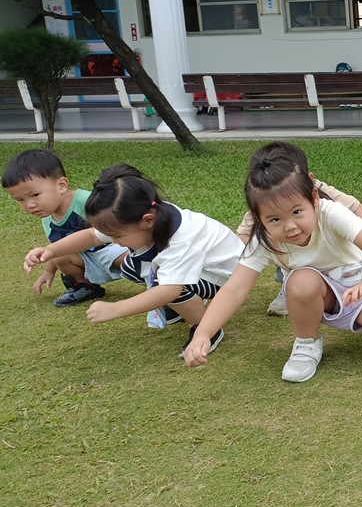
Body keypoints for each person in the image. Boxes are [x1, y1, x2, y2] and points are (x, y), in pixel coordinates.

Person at [183, 148, 362, 383]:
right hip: (312, 294)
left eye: (297, 212)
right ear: (258, 218)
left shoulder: (330, 213)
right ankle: (307, 342)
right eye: (275, 219)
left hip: (355, 282)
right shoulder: (264, 240)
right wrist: (203, 333)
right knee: (302, 280)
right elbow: (234, 288)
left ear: (314, 197)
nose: (290, 226)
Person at [23, 165, 242, 356]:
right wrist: (50, 250)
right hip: (203, 269)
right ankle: (181, 308)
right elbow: (91, 236)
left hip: (229, 279)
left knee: (170, 287)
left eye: (117, 236)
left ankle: (205, 328)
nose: (114, 241)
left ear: (148, 220)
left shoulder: (182, 239)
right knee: (132, 267)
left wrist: (116, 309)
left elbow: (169, 290)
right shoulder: (140, 215)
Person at [235, 141, 362, 317]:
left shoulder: (324, 198)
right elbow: (243, 235)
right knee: (295, 270)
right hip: (295, 262)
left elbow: (357, 209)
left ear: (309, 180)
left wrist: (359, 243)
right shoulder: (266, 200)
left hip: (331, 253)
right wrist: (260, 252)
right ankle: (289, 289)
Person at [4, 149, 128, 307]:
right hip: (89, 259)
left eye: (35, 195)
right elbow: (56, 248)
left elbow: (123, 226)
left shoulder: (87, 201)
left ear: (61, 185)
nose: (29, 205)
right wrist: (48, 271)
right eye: (20, 200)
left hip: (115, 248)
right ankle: (84, 285)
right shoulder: (47, 219)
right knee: (59, 256)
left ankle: (154, 279)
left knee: (130, 258)